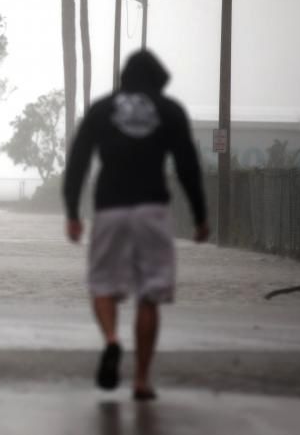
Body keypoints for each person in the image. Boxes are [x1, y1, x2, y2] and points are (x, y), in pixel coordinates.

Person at [62, 50, 209, 401]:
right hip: (152, 208)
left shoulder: (101, 109)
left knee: (101, 284)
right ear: (158, 79)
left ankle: (112, 341)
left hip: (110, 207)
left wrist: (72, 212)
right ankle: (142, 380)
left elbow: (79, 160)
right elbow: (188, 164)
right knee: (149, 294)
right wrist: (201, 215)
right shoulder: (169, 110)